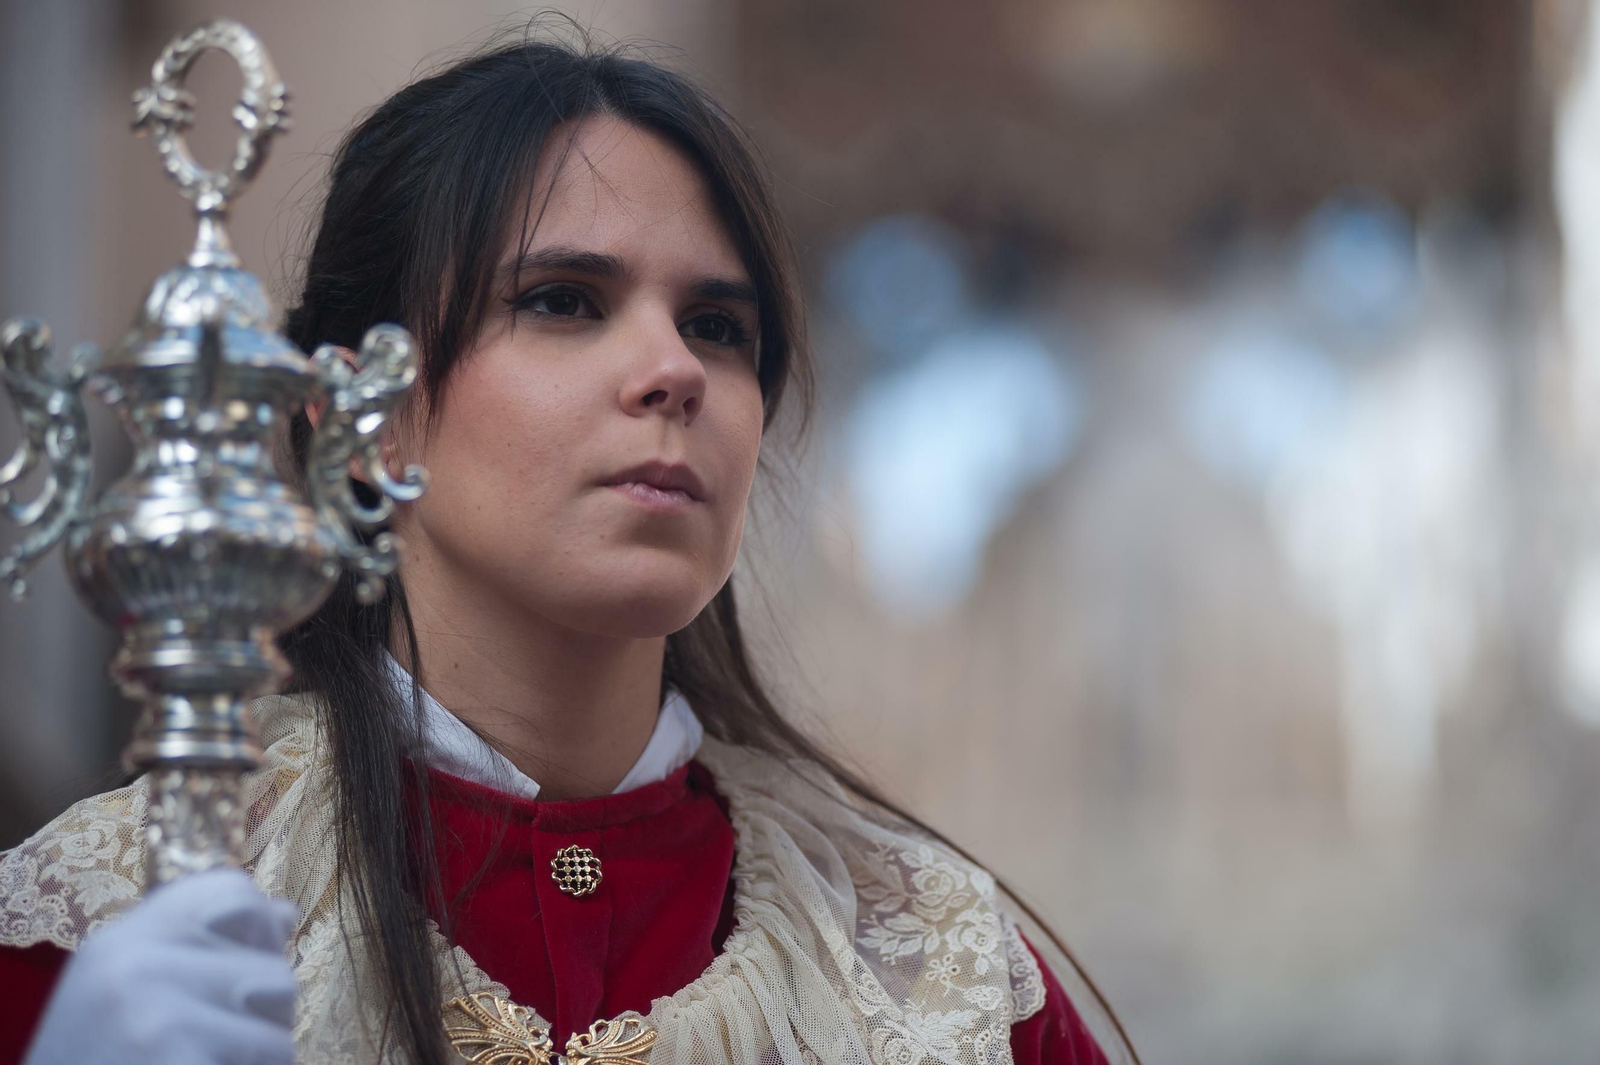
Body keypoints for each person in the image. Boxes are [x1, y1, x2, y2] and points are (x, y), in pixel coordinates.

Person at [0, 29, 1134, 1065]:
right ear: (360, 419)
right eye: (561, 301)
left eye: (719, 327)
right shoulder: (98, 937)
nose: (674, 371)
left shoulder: (946, 986)